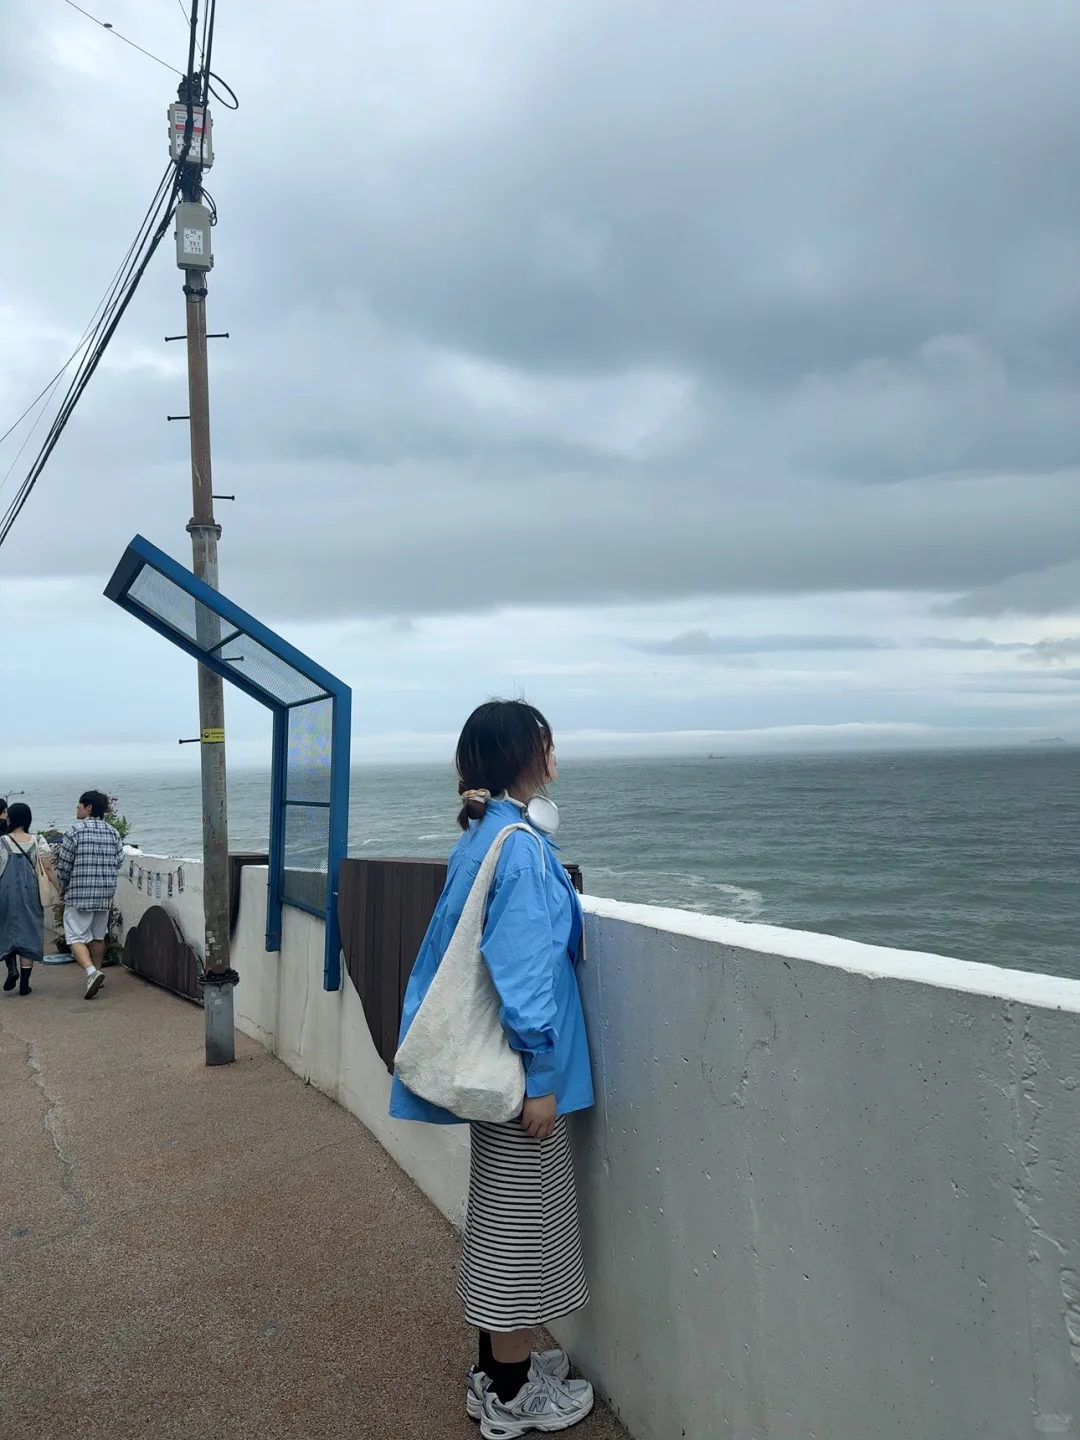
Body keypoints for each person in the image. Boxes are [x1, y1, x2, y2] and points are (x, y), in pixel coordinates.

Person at [390, 700, 596, 1438]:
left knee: (500, 1219)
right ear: (524, 756)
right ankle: (510, 1397)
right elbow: (525, 972)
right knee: (520, 1236)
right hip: (518, 1077)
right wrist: (541, 1079)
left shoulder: (483, 836)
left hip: (490, 1072)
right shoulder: (521, 848)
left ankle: (493, 1373)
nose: (555, 754)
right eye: (547, 742)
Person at [55, 789, 124, 1000]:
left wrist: (63, 886)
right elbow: (119, 861)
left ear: (89, 807)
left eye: (79, 805)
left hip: (79, 892)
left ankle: (91, 972)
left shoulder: (74, 832)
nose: (77, 808)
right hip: (104, 893)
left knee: (75, 936)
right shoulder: (113, 833)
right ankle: (96, 974)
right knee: (98, 935)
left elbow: (64, 864)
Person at [1, 803, 59, 996]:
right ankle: (25, 984)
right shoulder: (38, 841)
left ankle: (12, 969)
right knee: (29, 932)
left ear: (10, 819)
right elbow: (48, 868)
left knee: (6, 929)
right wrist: (59, 888)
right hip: (30, 892)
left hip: (5, 892)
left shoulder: (2, 841)